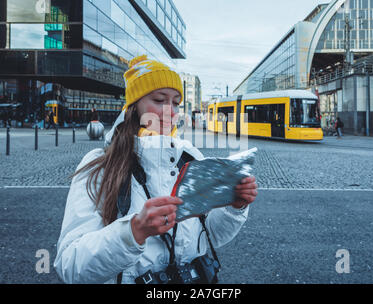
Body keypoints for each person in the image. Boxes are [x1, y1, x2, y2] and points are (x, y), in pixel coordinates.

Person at [54, 55, 258, 284]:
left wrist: (234, 206)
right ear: (134, 106)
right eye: (160, 100)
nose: (170, 112)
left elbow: (209, 235)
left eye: (176, 103)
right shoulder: (100, 165)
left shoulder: (190, 158)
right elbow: (70, 265)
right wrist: (132, 232)